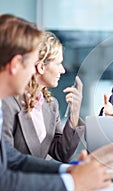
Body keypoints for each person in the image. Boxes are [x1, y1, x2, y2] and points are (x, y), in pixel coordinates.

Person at [0, 14, 113, 191]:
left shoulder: (48, 105)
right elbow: (5, 183)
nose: (33, 71)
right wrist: (75, 182)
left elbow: (13, 159)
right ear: (17, 64)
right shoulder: (7, 104)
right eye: (31, 65)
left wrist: (73, 170)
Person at [2, 31, 84, 163]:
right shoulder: (8, 103)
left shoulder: (51, 105)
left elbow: (62, 153)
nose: (62, 70)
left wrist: (74, 114)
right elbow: (8, 162)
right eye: (58, 64)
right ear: (41, 67)